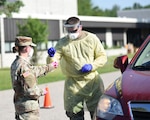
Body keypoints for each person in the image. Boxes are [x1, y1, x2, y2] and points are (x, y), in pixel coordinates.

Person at [47, 17, 107, 120]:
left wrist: (92, 66)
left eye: (74, 31)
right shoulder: (63, 42)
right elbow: (54, 63)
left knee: (98, 114)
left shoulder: (91, 39)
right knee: (74, 114)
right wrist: (51, 56)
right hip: (73, 84)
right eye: (68, 31)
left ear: (80, 27)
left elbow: (102, 57)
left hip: (92, 82)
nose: (71, 33)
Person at [10, 36, 58, 120]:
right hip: (28, 110)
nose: (31, 49)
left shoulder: (17, 63)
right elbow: (31, 91)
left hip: (21, 107)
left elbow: (34, 71)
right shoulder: (24, 67)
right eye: (30, 47)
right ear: (26, 49)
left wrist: (50, 67)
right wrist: (42, 91)